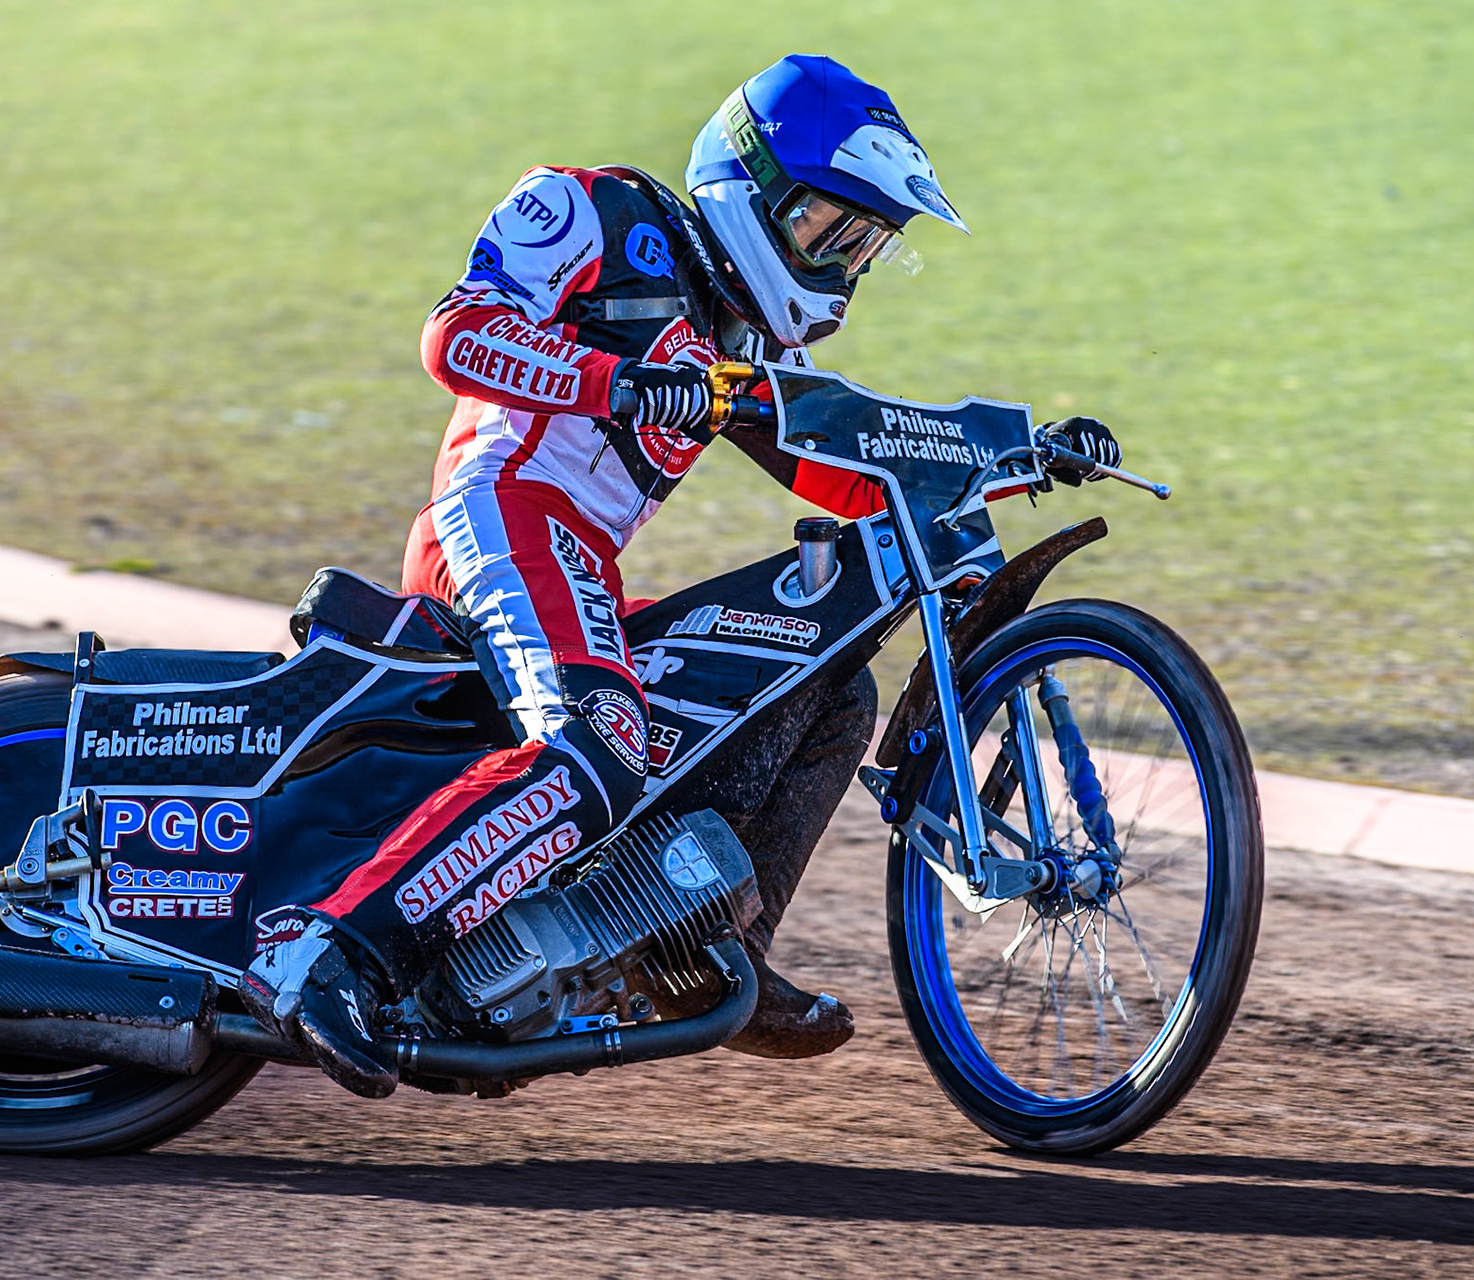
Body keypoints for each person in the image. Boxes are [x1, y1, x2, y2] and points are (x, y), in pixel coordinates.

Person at [243, 53, 1122, 1097]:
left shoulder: (739, 338)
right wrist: (631, 384)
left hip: (581, 572)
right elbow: (456, 336)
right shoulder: (592, 210)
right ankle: (331, 950)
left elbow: (844, 471)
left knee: (833, 687)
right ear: (751, 187)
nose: (842, 264)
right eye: (827, 229)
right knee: (600, 739)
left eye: (865, 246)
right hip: (493, 520)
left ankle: (715, 946)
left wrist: (1014, 461)